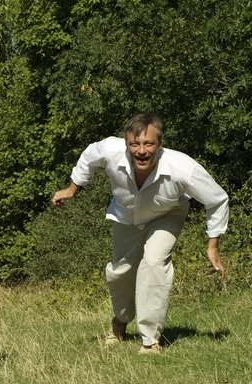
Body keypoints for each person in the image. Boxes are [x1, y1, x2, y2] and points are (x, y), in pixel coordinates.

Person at [52, 113, 228, 354]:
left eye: (149, 144)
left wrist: (213, 246)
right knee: (120, 272)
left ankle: (150, 340)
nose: (141, 151)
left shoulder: (182, 167)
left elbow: (217, 199)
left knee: (154, 263)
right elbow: (89, 157)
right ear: (126, 144)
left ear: (160, 144)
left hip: (168, 214)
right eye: (134, 144)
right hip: (126, 216)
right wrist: (72, 189)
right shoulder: (110, 150)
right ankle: (120, 321)